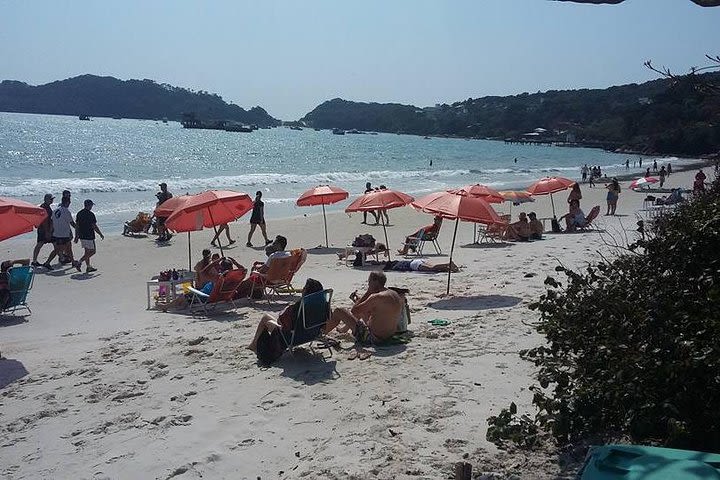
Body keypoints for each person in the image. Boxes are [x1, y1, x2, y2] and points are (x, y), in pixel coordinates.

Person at [247, 278, 324, 354]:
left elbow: (280, 321)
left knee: (266, 319)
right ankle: (253, 345)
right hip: (313, 334)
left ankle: (253, 345)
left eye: (304, 288)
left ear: (306, 291)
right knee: (267, 318)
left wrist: (288, 308)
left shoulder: (299, 307)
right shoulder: (322, 306)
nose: (302, 289)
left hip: (293, 338)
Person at [326, 271, 403, 344]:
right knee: (363, 308)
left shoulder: (376, 297)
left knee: (339, 311)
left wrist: (368, 292)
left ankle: (322, 333)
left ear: (375, 282)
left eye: (369, 281)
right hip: (388, 335)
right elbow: (371, 308)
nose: (368, 284)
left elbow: (354, 310)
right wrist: (359, 300)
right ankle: (344, 329)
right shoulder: (393, 294)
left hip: (373, 338)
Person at [42, 196, 76, 270]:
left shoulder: (55, 210)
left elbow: (51, 222)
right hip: (63, 234)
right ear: (67, 202)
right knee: (58, 250)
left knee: (69, 248)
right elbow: (72, 223)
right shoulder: (66, 211)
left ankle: (73, 262)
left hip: (57, 233)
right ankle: (47, 262)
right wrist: (78, 229)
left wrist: (50, 232)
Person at [73, 199, 104, 273]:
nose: (92, 207)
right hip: (89, 235)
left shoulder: (79, 213)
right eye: (91, 205)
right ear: (89, 205)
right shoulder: (91, 214)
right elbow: (94, 226)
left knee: (87, 252)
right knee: (93, 251)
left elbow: (77, 226)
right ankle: (79, 262)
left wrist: (76, 236)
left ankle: (88, 267)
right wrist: (100, 234)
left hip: (82, 235)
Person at [31, 194, 55, 267]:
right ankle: (34, 261)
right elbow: (44, 220)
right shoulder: (45, 208)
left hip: (44, 229)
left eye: (52, 199)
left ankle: (34, 261)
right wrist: (48, 232)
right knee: (40, 244)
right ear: (46, 199)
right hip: (44, 229)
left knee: (55, 243)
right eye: (51, 199)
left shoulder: (45, 207)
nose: (52, 200)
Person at [383, 259, 458, 273]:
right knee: (435, 269)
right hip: (416, 261)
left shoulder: (396, 267)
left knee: (432, 268)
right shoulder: (399, 262)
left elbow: (403, 269)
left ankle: (448, 264)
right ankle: (449, 268)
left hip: (414, 265)